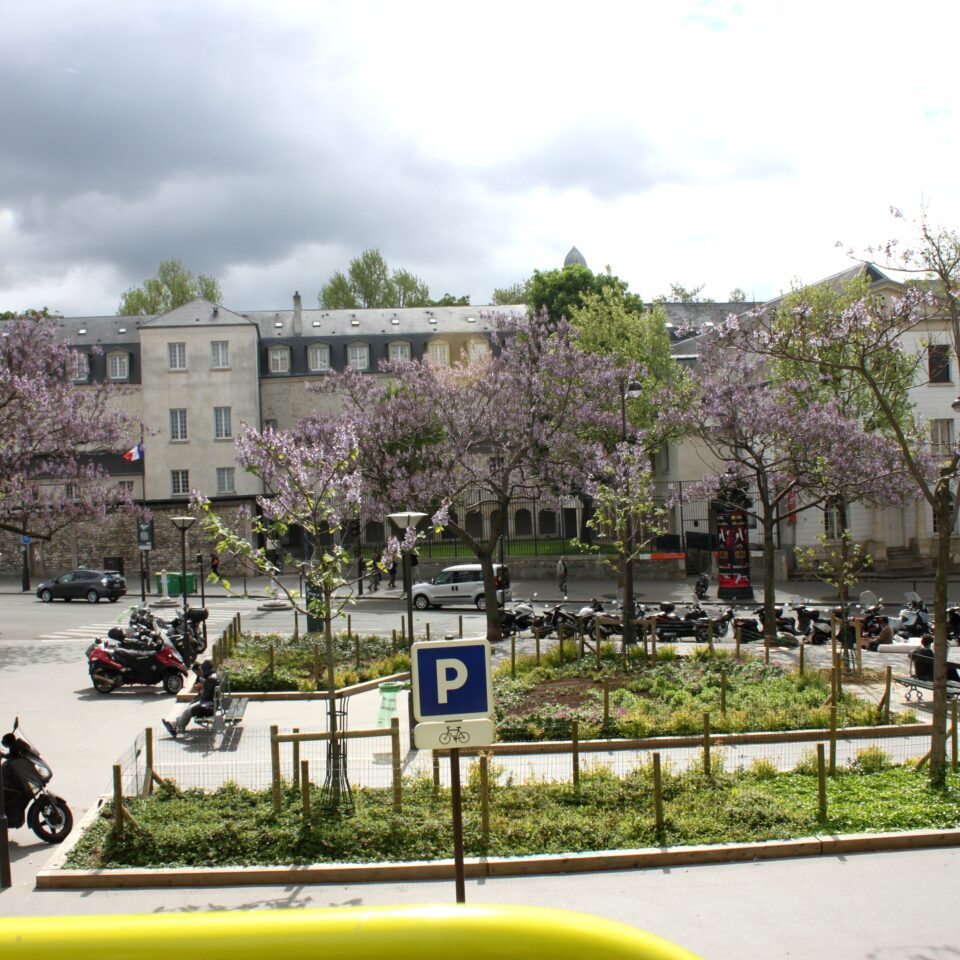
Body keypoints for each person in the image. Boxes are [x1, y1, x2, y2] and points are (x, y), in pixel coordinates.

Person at [163, 660, 219, 738]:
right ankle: (173, 724)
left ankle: (178, 729)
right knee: (188, 709)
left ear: (206, 670)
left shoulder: (211, 680)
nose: (202, 671)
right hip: (210, 704)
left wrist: (201, 687)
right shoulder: (212, 677)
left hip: (209, 706)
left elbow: (207, 693)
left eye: (203, 669)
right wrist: (202, 687)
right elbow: (208, 692)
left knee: (188, 712)